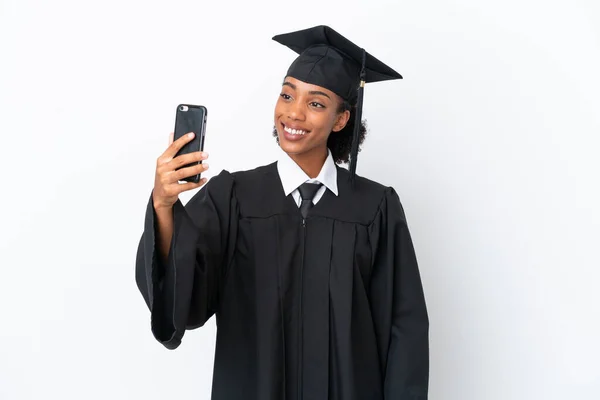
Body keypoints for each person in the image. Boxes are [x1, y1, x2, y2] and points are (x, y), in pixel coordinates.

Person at [135, 25, 429, 400]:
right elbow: (185, 297)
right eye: (287, 95)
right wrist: (164, 205)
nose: (294, 113)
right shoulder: (234, 197)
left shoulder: (375, 207)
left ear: (341, 120)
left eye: (316, 103)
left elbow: (403, 329)